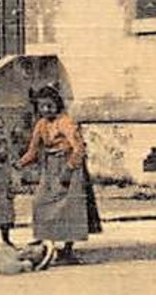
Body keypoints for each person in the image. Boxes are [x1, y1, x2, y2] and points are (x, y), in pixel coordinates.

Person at [17, 85, 100, 264]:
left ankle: (68, 249)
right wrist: (18, 164)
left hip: (70, 166)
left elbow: (79, 148)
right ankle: (47, 243)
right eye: (42, 106)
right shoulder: (41, 124)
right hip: (50, 168)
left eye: (50, 105)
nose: (47, 109)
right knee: (40, 201)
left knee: (70, 207)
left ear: (57, 104)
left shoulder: (66, 121)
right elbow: (32, 151)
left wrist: (69, 169)